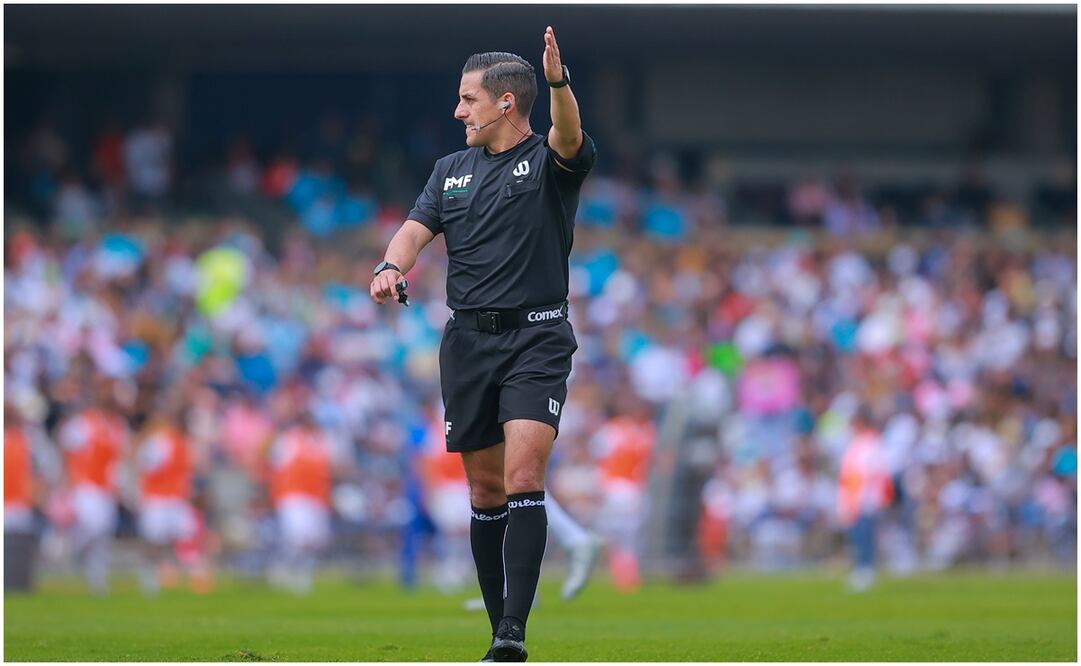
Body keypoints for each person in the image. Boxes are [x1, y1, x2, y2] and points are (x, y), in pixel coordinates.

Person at [370, 26, 595, 662]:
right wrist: (390, 266)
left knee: (524, 476)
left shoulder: (548, 162)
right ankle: (499, 629)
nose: (458, 111)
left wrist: (558, 82)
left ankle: (513, 632)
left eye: (468, 99)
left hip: (537, 337)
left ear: (505, 102)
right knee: (484, 493)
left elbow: (570, 135)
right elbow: (413, 230)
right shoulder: (450, 171)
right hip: (467, 343)